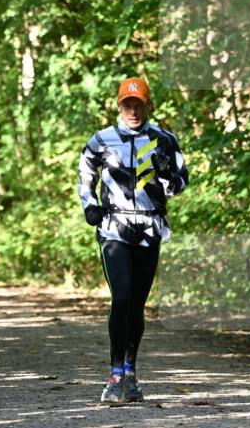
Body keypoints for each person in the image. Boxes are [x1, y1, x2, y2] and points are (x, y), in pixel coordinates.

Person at [78, 76, 188, 404]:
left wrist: (166, 172)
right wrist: (90, 206)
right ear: (118, 106)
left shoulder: (164, 140)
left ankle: (131, 372)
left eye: (139, 105)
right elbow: (85, 176)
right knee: (121, 298)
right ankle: (114, 377)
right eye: (128, 104)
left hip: (150, 230)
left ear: (149, 106)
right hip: (114, 228)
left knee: (137, 306)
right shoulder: (101, 140)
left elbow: (181, 183)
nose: (133, 111)